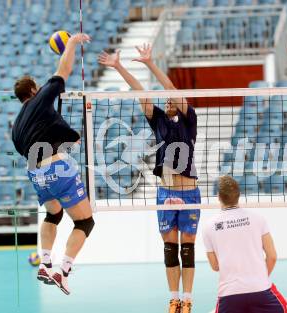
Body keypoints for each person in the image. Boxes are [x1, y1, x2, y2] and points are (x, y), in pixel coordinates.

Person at [98, 44, 200, 313]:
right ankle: (174, 299)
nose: (168, 101)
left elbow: (171, 90)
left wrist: (150, 63)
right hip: (165, 193)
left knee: (187, 249)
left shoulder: (190, 120)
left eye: (170, 99)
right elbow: (140, 92)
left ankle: (188, 299)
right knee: (169, 249)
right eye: (165, 99)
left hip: (189, 193)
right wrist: (120, 66)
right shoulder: (158, 121)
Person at [12, 33, 94, 295]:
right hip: (56, 168)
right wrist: (72, 42)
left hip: (35, 174)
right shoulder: (40, 99)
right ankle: (63, 271)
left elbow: (40, 143)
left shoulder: (17, 126)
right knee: (85, 222)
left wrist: (70, 139)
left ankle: (45, 263)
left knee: (54, 213)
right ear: (34, 91)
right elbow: (64, 70)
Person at [202, 175, 287, 313]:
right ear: (239, 195)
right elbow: (272, 256)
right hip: (260, 289)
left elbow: (215, 266)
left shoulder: (208, 226)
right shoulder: (258, 218)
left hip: (229, 295)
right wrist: (259, 277)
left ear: (218, 196)